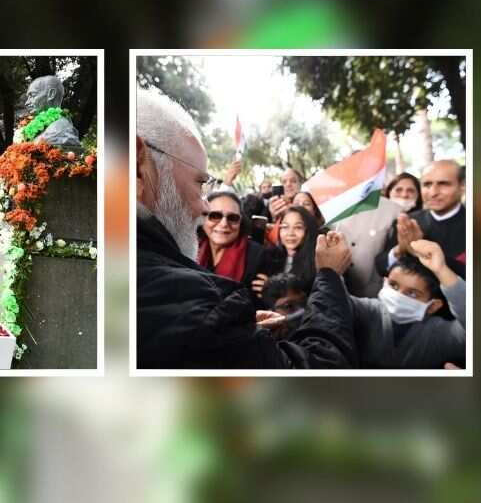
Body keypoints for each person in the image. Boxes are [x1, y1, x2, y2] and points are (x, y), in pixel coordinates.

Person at [135, 88, 356, 369]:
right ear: (138, 168)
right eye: (200, 183)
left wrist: (242, 336)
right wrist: (329, 277)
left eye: (233, 218)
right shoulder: (197, 303)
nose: (206, 211)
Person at [351, 239, 465, 368]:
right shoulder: (364, 310)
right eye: (393, 285)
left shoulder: (442, 335)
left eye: (412, 294)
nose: (398, 296)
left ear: (433, 306)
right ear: (385, 282)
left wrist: (441, 270)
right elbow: (331, 302)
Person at [374, 159, 466, 280]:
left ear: (462, 186)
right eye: (427, 184)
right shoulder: (408, 221)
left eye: (443, 184)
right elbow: (381, 267)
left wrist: (422, 252)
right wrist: (400, 250)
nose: (433, 192)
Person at [197, 191, 264, 290]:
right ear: (203, 218)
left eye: (232, 218)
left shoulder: (257, 255)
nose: (224, 224)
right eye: (215, 216)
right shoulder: (191, 249)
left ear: (241, 222)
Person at [252, 206, 320, 303]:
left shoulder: (316, 263)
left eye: (298, 227)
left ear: (308, 231)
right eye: (285, 227)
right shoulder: (271, 257)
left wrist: (273, 289)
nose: (290, 233)